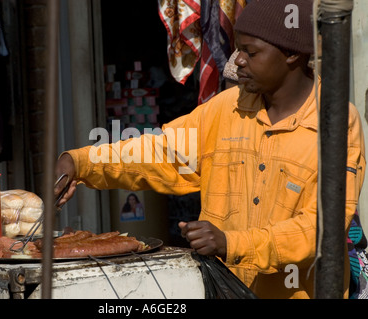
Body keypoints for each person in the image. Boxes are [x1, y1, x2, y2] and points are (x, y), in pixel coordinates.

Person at [54, 0, 366, 299]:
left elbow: (319, 226)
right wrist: (81, 163)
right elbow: (160, 152)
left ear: (292, 56)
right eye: (238, 49)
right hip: (224, 290)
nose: (238, 61)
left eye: (250, 52)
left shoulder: (336, 121)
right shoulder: (226, 109)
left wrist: (232, 243)